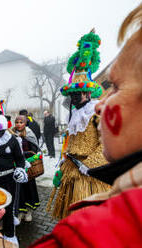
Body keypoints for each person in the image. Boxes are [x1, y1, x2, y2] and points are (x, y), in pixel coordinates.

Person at [0, 4, 142, 247]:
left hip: (87, 174)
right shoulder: (121, 199)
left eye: (115, 87)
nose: (102, 104)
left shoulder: (106, 224)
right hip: (70, 171)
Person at [46, 29, 111, 220]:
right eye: (72, 93)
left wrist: (90, 166)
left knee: (88, 218)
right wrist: (63, 162)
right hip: (71, 169)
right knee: (69, 216)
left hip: (89, 175)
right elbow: (70, 142)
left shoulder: (96, 111)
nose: (74, 97)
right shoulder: (74, 115)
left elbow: (106, 143)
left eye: (78, 93)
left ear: (88, 93)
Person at [0, 114, 28, 245]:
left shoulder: (12, 140)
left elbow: (20, 160)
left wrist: (20, 170)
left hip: (8, 179)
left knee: (8, 208)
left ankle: (9, 235)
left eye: (1, 131)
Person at [12, 115, 40, 222]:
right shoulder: (11, 134)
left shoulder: (29, 134)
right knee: (20, 190)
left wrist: (28, 159)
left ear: (25, 123)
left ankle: (29, 211)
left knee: (29, 188)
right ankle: (20, 211)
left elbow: (34, 149)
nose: (18, 124)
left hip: (28, 167)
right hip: (17, 166)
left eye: (21, 122)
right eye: (17, 122)